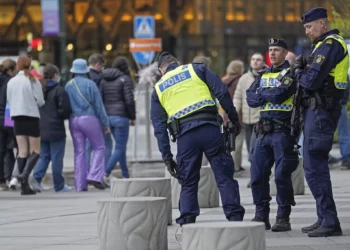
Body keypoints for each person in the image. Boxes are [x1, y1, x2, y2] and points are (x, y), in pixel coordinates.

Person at [151, 52, 245, 225]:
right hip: (210, 130)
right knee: (224, 176)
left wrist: (167, 158)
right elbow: (222, 92)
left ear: (161, 70)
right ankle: (235, 219)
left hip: (186, 138)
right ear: (178, 63)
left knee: (188, 181)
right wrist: (233, 119)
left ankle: (187, 222)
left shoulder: (158, 88)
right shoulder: (196, 69)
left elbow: (159, 128)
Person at [291, 7, 349, 237]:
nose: (306, 31)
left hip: (323, 111)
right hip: (317, 111)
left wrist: (298, 72)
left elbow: (311, 81)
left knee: (315, 166)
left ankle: (330, 221)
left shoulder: (331, 44)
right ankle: (324, 217)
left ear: (322, 25)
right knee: (311, 166)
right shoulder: (321, 45)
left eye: (309, 26)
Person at [246, 38, 299, 232]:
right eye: (270, 50)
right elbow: (250, 98)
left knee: (281, 176)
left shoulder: (291, 73)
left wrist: (262, 93)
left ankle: (283, 217)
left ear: (285, 53)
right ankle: (261, 215)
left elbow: (280, 94)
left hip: (282, 132)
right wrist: (266, 92)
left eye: (277, 50)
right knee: (257, 175)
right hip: (262, 132)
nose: (273, 53)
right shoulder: (264, 74)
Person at [65, 59, 109, 192]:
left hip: (74, 120)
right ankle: (95, 176)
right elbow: (99, 106)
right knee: (99, 147)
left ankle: (80, 184)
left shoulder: (68, 85)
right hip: (89, 118)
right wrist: (105, 123)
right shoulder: (90, 84)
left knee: (79, 151)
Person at [6, 55, 45, 195]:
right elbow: (40, 101)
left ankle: (20, 181)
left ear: (18, 66)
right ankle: (24, 177)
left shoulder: (12, 81)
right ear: (30, 66)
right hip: (31, 116)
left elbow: (9, 100)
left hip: (17, 117)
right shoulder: (33, 80)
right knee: (35, 151)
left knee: (22, 152)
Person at [32, 64, 72, 192]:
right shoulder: (59, 90)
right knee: (57, 158)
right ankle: (59, 185)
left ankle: (36, 179)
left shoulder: (38, 88)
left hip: (41, 128)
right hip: (56, 129)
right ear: (55, 75)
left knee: (44, 156)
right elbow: (65, 110)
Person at [100, 56, 136, 184]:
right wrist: (132, 117)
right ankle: (105, 173)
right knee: (120, 147)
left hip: (108, 117)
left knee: (120, 148)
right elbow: (129, 100)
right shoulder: (125, 79)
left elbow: (101, 99)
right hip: (121, 117)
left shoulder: (104, 80)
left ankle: (126, 174)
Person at [233, 53, 265, 186]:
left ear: (263, 62)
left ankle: (257, 177)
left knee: (256, 149)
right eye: (253, 59)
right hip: (247, 120)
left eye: (258, 60)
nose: (255, 62)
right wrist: (234, 113)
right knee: (250, 150)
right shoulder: (244, 78)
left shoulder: (267, 76)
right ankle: (256, 176)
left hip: (261, 120)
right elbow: (238, 97)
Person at [86, 53, 111, 171]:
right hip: (95, 116)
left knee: (87, 147)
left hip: (82, 115)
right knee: (104, 145)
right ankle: (100, 173)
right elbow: (99, 101)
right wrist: (104, 121)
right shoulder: (98, 78)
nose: (102, 69)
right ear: (97, 65)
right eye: (101, 66)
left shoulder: (82, 77)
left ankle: (85, 172)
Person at [221, 60, 245, 172]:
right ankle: (235, 165)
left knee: (229, 141)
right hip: (239, 114)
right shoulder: (239, 81)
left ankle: (234, 164)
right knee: (238, 142)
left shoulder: (223, 81)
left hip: (226, 114)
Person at [0, 59, 17, 191]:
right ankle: (9, 177)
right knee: (9, 149)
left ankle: (1, 180)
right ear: (10, 70)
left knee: (1, 150)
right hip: (7, 118)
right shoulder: (10, 82)